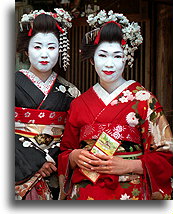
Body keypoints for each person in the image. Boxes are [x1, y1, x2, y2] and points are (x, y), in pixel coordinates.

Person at [58, 10, 173, 200]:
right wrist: (74, 157)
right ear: (92, 58)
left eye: (117, 56)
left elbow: (167, 155)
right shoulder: (79, 103)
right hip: (85, 193)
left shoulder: (144, 100)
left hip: (130, 193)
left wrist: (129, 165)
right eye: (102, 55)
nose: (109, 64)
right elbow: (65, 152)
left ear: (126, 59)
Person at [15, 9, 80, 200]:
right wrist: (35, 160)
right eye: (37, 47)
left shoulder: (71, 91)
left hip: (54, 167)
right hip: (16, 164)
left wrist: (52, 158)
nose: (45, 54)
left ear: (60, 50)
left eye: (52, 47)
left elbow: (74, 135)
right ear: (26, 50)